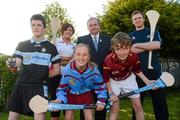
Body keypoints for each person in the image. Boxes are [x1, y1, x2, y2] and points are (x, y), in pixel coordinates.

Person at [6, 14, 60, 120]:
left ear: (44, 28)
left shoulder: (51, 47)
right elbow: (17, 63)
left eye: (39, 25)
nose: (36, 27)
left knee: (39, 117)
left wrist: (42, 76)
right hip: (21, 84)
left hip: (39, 87)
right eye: (33, 25)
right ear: (30, 27)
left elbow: (57, 70)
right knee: (12, 117)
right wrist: (12, 64)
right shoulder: (22, 45)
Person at [103, 32, 154, 120]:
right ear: (113, 49)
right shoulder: (108, 61)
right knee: (114, 110)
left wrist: (147, 81)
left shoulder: (134, 57)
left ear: (130, 47)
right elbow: (106, 79)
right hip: (114, 81)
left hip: (129, 79)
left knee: (138, 107)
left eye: (125, 48)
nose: (122, 52)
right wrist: (111, 93)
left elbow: (137, 70)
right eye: (118, 49)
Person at [129, 10, 169, 120]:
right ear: (133, 22)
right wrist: (148, 46)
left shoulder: (152, 31)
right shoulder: (130, 36)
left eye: (139, 18)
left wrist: (137, 45)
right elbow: (131, 50)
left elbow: (156, 45)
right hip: (137, 73)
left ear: (143, 19)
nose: (137, 20)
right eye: (135, 19)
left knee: (160, 102)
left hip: (154, 72)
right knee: (137, 103)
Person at [55, 43, 107, 120]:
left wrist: (101, 100)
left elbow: (100, 87)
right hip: (71, 94)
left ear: (89, 57)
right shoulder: (67, 70)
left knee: (90, 118)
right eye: (78, 54)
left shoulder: (94, 70)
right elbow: (62, 88)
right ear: (74, 56)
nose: (81, 58)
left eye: (85, 55)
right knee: (68, 117)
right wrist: (60, 100)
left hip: (86, 94)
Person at [77, 17, 111, 120]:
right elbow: (79, 58)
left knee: (101, 104)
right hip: (86, 77)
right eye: (90, 25)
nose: (93, 27)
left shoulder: (108, 38)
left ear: (99, 26)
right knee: (86, 104)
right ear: (87, 27)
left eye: (95, 24)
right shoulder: (81, 39)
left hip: (103, 77)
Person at [48, 23, 76, 120]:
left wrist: (63, 60)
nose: (68, 31)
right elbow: (51, 57)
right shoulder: (55, 42)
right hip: (55, 76)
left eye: (70, 30)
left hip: (69, 76)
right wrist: (67, 58)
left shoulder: (74, 45)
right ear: (62, 31)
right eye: (66, 29)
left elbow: (75, 59)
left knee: (68, 102)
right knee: (55, 102)